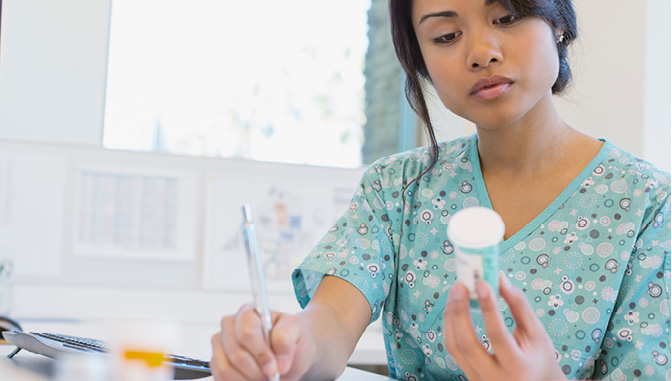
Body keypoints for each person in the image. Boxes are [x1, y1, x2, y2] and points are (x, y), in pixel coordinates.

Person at [210, 0, 671, 379]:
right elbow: (329, 321)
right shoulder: (396, 189)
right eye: (446, 36)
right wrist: (287, 347)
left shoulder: (650, 204)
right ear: (422, 62)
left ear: (558, 25)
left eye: (507, 17)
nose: (481, 52)